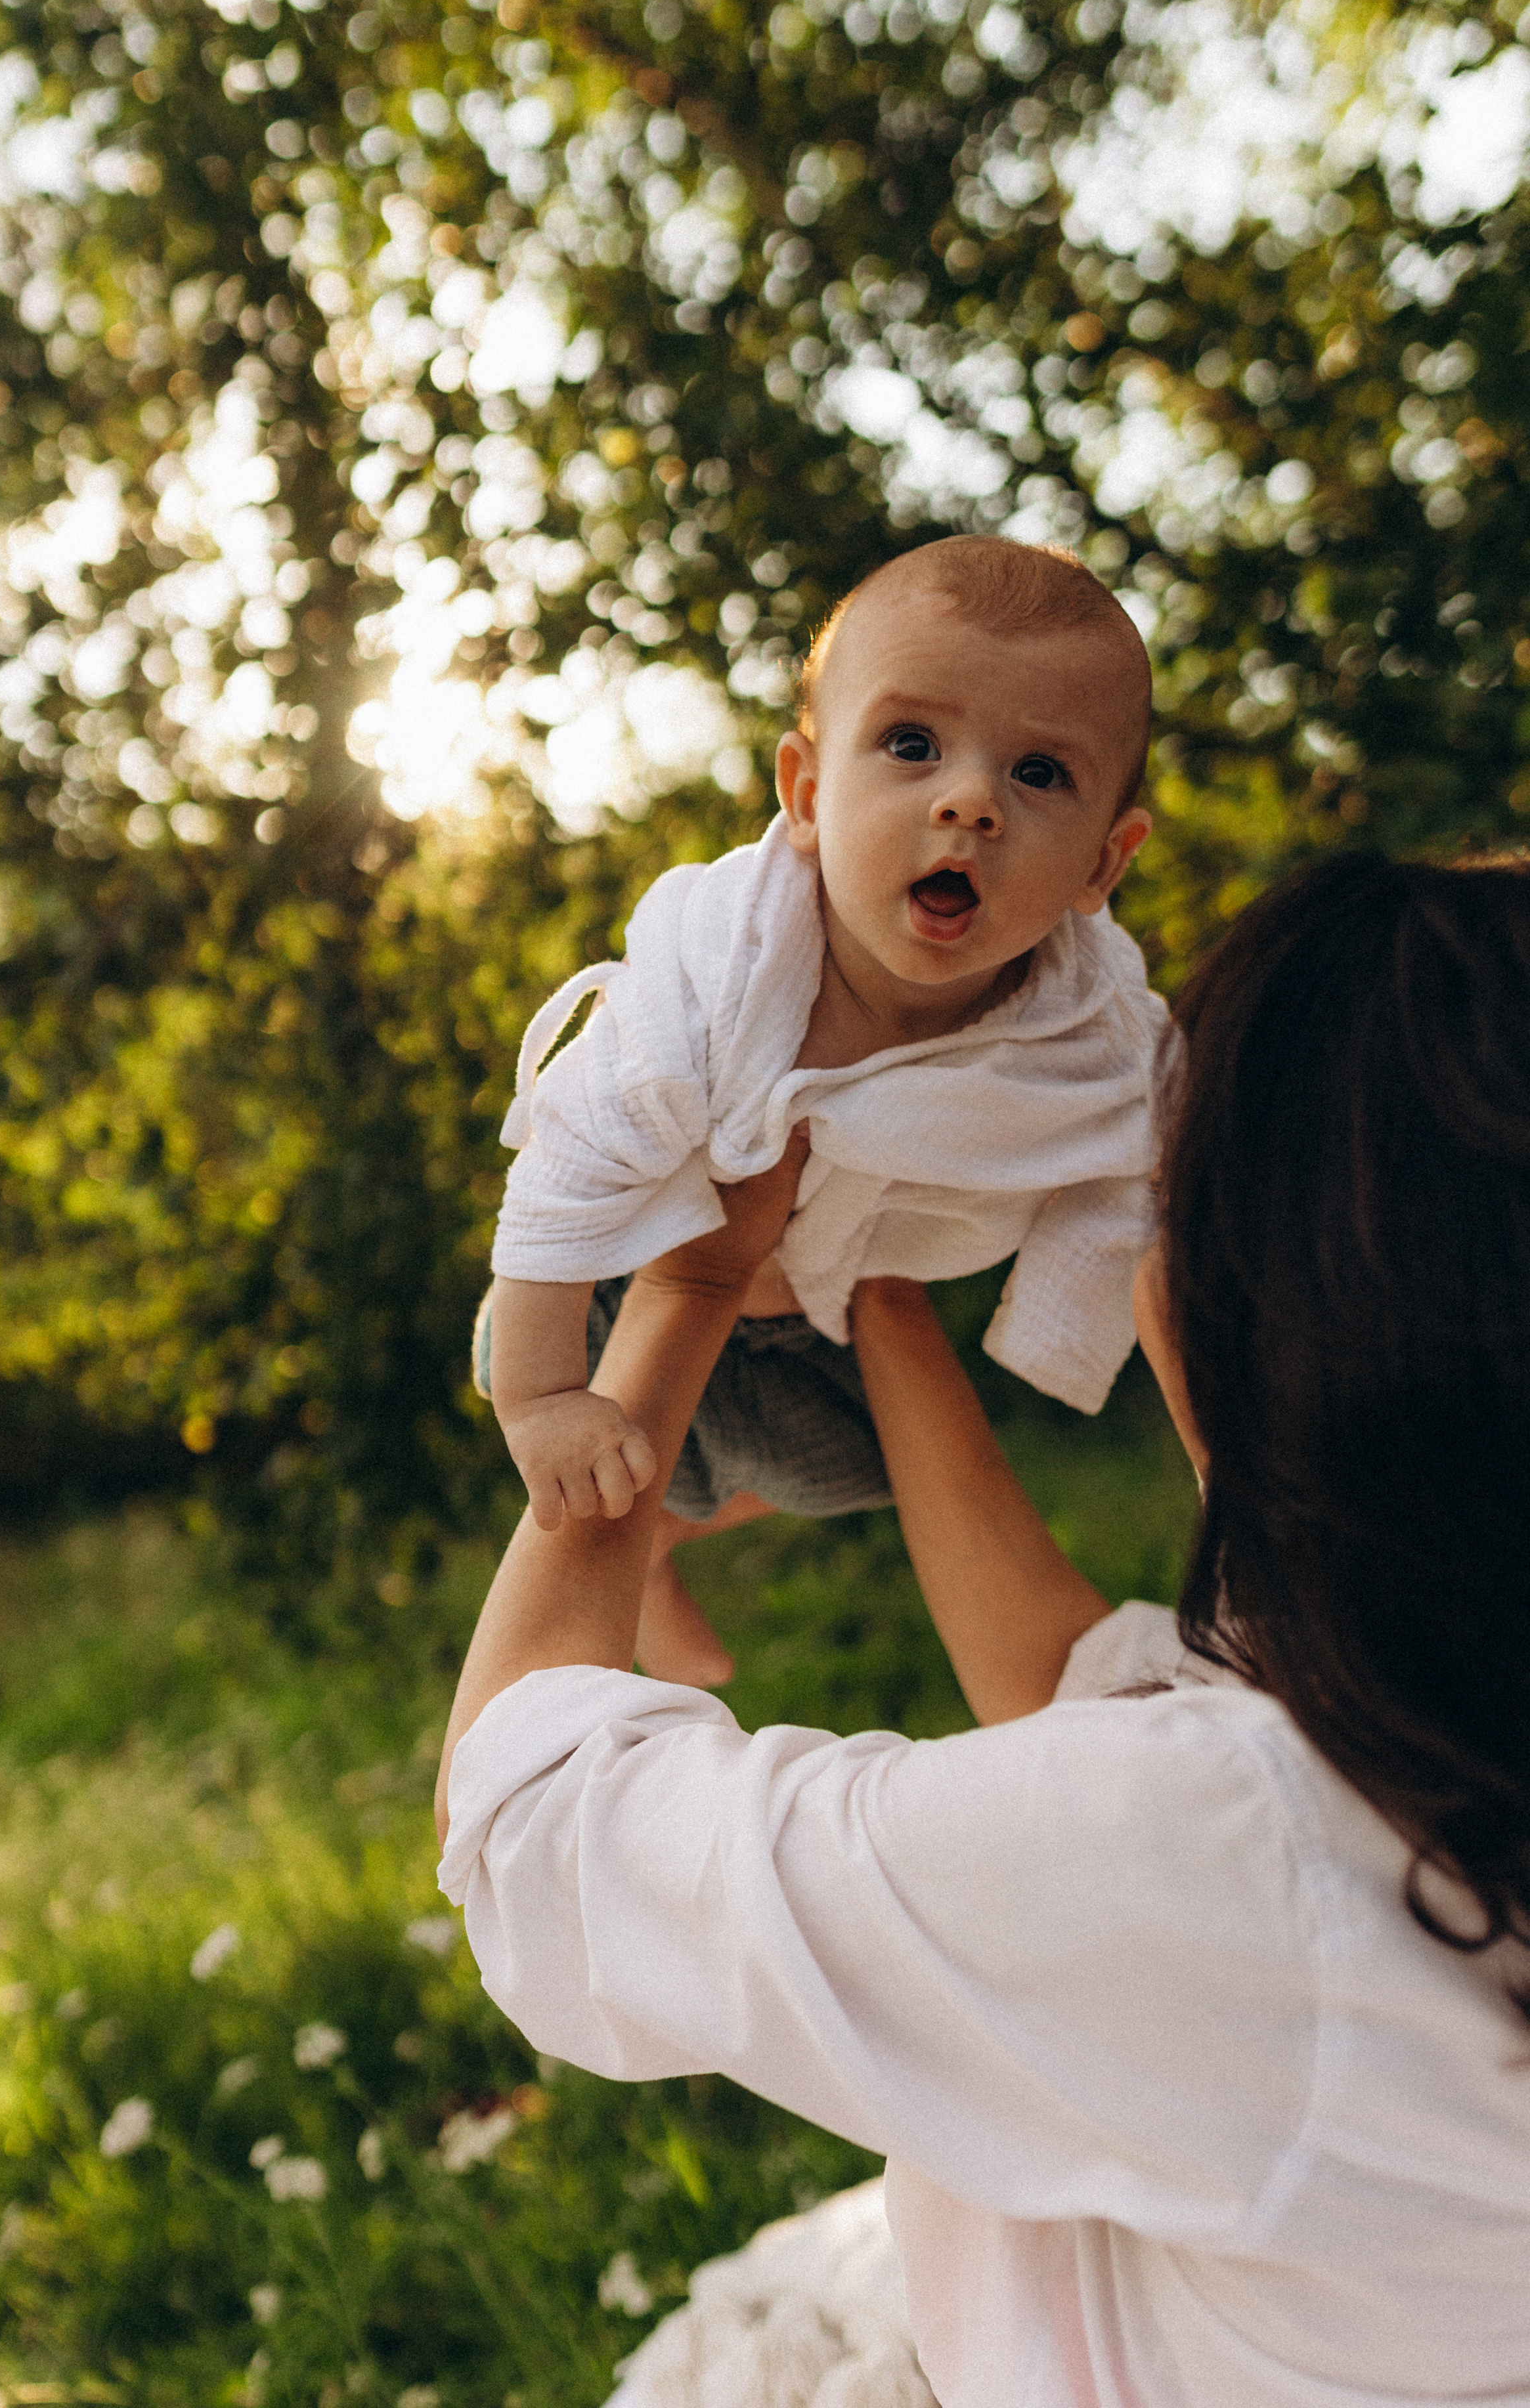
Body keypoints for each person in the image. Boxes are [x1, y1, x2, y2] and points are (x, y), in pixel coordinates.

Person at [436, 848, 1530, 2408]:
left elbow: (526, 1815)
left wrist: (689, 1284)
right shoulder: (1416, 1730)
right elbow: (1068, 1684)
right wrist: (866, 1274)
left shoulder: (1248, 1855)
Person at [476, 535, 1166, 1685]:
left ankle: (659, 1545)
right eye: (912, 745)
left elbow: (1146, 1154)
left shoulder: (1090, 1034)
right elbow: (574, 1156)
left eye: (1039, 774)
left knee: (879, 1464)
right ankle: (621, 1548)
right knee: (587, 1440)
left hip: (823, 1328)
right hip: (609, 1281)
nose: (969, 802)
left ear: (1106, 862)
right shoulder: (718, 974)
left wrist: (1081, 1303)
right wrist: (541, 1400)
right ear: (805, 792)